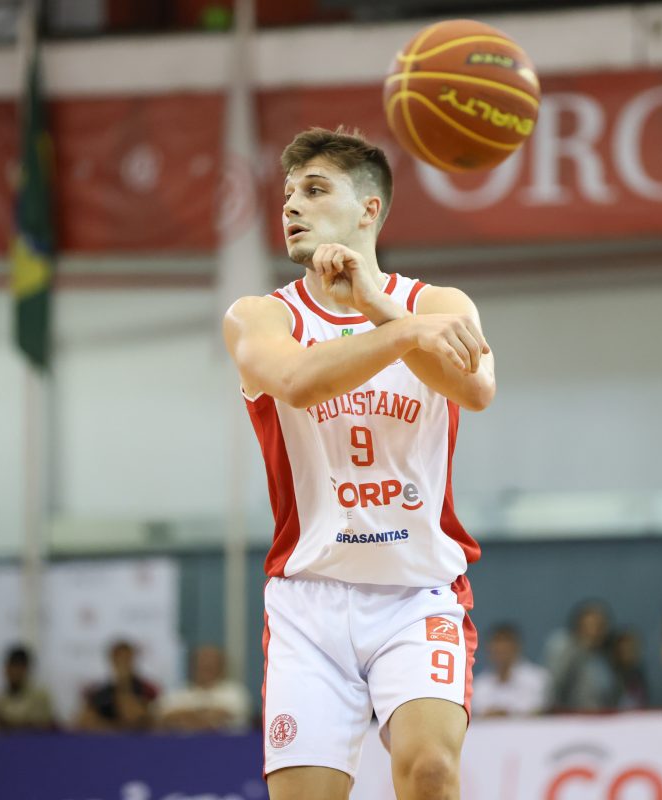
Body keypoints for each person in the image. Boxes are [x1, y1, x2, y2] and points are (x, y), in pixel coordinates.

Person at [223, 127, 495, 800]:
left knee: (431, 771)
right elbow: (298, 383)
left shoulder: (438, 305)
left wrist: (380, 307)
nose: (292, 205)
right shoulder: (259, 316)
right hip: (310, 601)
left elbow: (476, 389)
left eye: (315, 190)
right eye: (288, 193)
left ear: (369, 210)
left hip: (417, 591)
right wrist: (404, 331)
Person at [545, 600, 618, 712]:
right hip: (568, 716)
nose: (595, 632)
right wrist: (580, 649)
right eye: (590, 626)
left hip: (601, 717)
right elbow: (553, 684)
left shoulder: (606, 656)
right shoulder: (563, 645)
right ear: (578, 625)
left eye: (600, 626)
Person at [160, 644, 251, 733]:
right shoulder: (177, 692)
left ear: (221, 666)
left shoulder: (235, 693)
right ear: (192, 666)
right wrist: (208, 718)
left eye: (211, 665)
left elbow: (234, 716)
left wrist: (188, 717)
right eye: (201, 664)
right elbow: (163, 717)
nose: (206, 668)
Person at [75, 639, 160, 733]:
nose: (122, 663)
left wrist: (124, 684)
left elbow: (136, 718)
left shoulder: (147, 689)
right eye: (118, 659)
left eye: (126, 659)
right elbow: (84, 722)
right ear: (112, 660)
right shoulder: (99, 692)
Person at [0, 645, 56, 736]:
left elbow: (39, 728)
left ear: (26, 670)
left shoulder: (40, 698)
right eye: (11, 667)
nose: (14, 673)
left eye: (19, 668)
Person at [473, 624, 548, 717]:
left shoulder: (537, 678)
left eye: (505, 647)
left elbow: (537, 708)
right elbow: (477, 711)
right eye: (497, 649)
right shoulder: (479, 684)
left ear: (516, 647)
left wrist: (504, 714)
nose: (501, 650)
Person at [610, 629, 649, 710]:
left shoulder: (640, 675)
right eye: (624, 650)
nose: (628, 654)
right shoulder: (611, 677)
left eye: (631, 649)